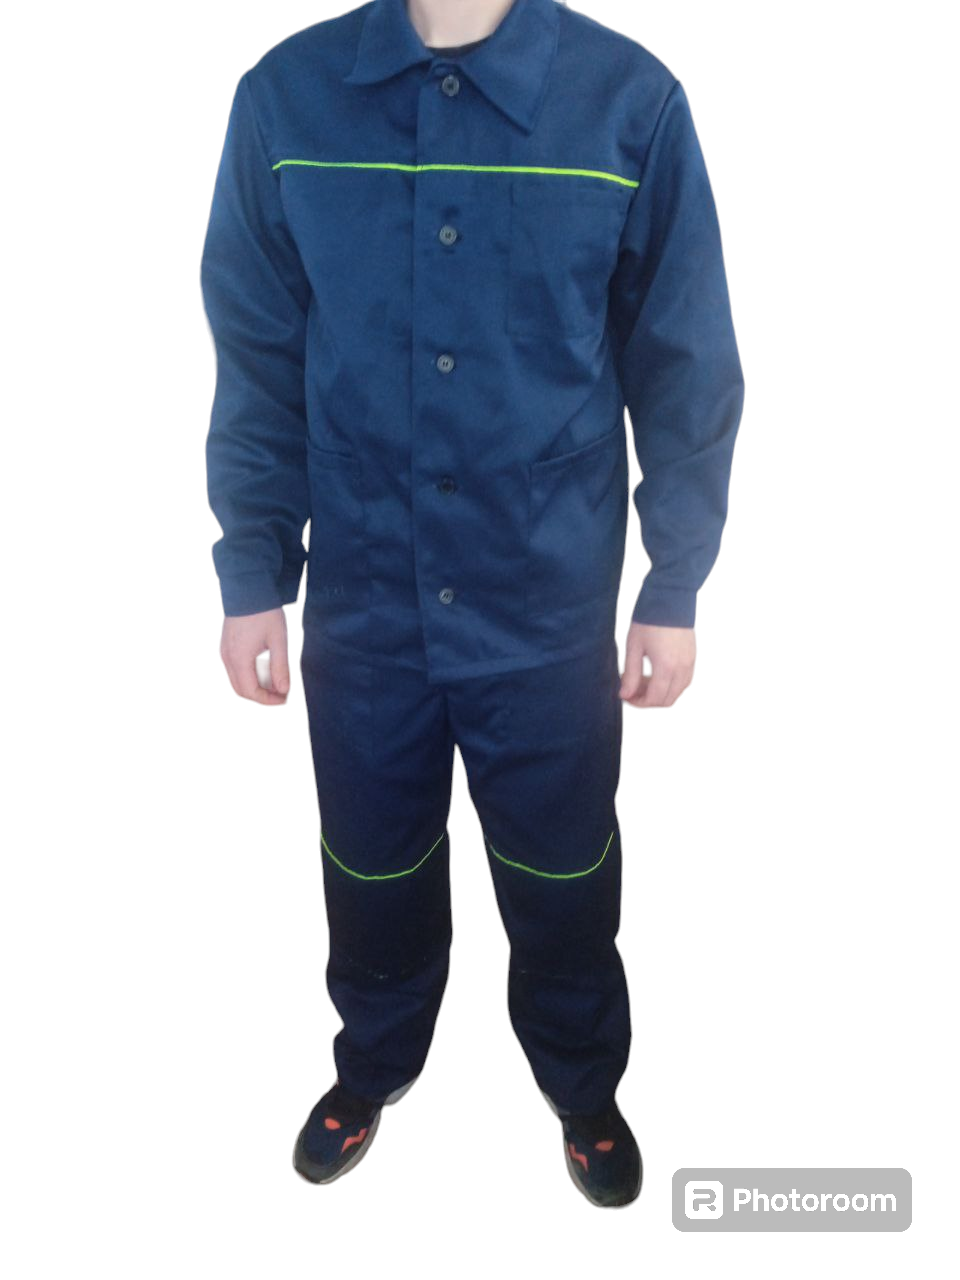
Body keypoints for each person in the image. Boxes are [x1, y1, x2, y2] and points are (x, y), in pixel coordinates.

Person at [201, 0, 744, 1208]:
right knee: (371, 861)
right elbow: (257, 353)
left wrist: (675, 580)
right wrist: (253, 569)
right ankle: (375, 1058)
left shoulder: (628, 104)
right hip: (363, 600)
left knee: (563, 867)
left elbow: (682, 353)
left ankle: (582, 1079)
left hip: (545, 600)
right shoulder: (286, 101)